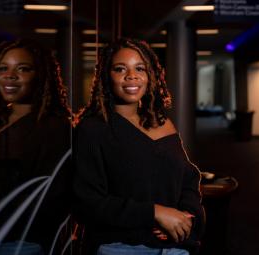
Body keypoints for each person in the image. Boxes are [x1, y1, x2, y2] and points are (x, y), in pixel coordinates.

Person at [73, 38, 205, 255]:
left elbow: (188, 178)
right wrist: (155, 213)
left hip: (174, 247)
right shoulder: (93, 129)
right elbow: (87, 203)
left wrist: (186, 217)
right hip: (121, 247)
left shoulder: (163, 123)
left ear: (150, 75)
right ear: (107, 76)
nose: (131, 75)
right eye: (120, 69)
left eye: (139, 68)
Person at [0, 38, 72, 254]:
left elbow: (48, 197)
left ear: (40, 75)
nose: (10, 75)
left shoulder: (54, 127)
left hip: (21, 242)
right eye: (4, 68)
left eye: (23, 69)